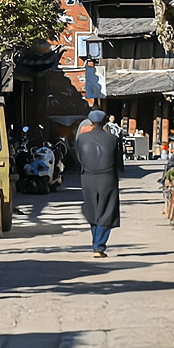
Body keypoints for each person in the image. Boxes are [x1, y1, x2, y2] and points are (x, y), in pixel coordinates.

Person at [72, 109, 124, 258]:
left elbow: (80, 158)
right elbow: (118, 161)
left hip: (88, 177)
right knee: (107, 210)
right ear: (106, 121)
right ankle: (98, 246)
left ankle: (96, 242)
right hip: (107, 177)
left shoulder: (81, 139)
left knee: (92, 210)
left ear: (90, 122)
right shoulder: (113, 139)